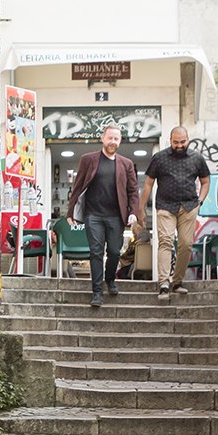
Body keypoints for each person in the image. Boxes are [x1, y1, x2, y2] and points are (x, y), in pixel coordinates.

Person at [68, 125, 145, 307]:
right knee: (95, 252)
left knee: (114, 252)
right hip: (93, 215)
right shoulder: (88, 160)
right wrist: (70, 211)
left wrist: (133, 212)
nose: (112, 142)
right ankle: (97, 292)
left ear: (120, 141)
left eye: (116, 139)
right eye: (110, 138)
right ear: (102, 138)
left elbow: (133, 191)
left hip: (116, 216)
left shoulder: (126, 164)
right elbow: (78, 186)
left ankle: (110, 280)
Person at [141, 126, 212, 299]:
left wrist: (200, 201)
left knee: (186, 244)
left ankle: (177, 282)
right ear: (170, 140)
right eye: (176, 142)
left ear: (188, 140)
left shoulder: (197, 158)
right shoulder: (159, 158)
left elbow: (205, 181)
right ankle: (164, 283)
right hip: (165, 206)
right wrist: (141, 207)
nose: (179, 145)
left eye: (182, 142)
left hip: (189, 207)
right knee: (165, 242)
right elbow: (148, 184)